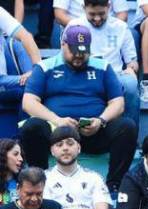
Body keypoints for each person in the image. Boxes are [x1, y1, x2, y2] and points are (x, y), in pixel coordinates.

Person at [19, 25, 137, 193]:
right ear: (63, 44)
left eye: (83, 52)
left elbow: (118, 103)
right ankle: (40, 179)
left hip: (94, 132)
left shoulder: (103, 67)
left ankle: (114, 185)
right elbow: (29, 102)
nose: (79, 56)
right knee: (32, 127)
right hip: (57, 133)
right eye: (74, 51)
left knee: (127, 126)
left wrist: (100, 120)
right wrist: (57, 120)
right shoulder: (45, 67)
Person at [44, 125, 110, 209]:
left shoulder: (93, 177)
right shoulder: (44, 178)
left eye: (70, 144)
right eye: (59, 145)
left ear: (79, 148)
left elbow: (102, 208)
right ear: (52, 150)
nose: (65, 148)